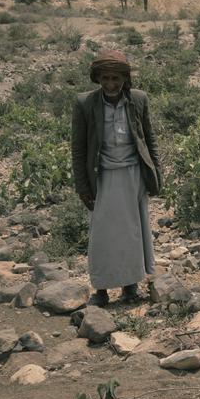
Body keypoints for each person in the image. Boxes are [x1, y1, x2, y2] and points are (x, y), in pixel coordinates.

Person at [71, 49, 163, 307]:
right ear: (97, 78)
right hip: (103, 177)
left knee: (133, 233)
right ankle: (100, 288)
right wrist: (82, 186)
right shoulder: (85, 103)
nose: (110, 84)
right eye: (105, 78)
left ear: (125, 78)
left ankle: (130, 286)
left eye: (116, 79)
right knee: (103, 235)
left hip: (134, 174)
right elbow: (78, 149)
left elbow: (149, 139)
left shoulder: (138, 99)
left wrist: (156, 173)